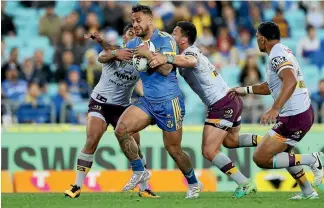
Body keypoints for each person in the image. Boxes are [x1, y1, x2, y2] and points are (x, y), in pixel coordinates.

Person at [149, 21, 258, 198]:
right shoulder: (181, 54)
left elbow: (190, 61)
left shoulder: (190, 52)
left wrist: (165, 57)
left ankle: (244, 182)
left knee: (209, 151)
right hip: (230, 99)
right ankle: (268, 142)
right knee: (231, 141)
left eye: (174, 33)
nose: (171, 35)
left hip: (221, 103)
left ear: (184, 39)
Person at [115, 4, 201, 199]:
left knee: (174, 150)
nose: (134, 24)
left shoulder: (165, 39)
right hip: (148, 102)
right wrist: (109, 51)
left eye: (138, 21)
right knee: (122, 129)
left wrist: (147, 54)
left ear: (150, 20)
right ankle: (139, 171)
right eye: (132, 21)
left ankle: (194, 183)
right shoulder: (133, 43)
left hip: (170, 103)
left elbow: (166, 70)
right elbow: (119, 55)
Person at [230, 22, 324, 200]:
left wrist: (275, 108)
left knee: (261, 158)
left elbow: (290, 81)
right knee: (283, 155)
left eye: (257, 37)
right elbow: (270, 87)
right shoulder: (282, 51)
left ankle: (313, 159)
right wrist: (243, 90)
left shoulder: (276, 55)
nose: (256, 40)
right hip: (300, 113)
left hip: (294, 116)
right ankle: (307, 191)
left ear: (263, 39)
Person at [64, 24, 158, 198]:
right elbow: (102, 57)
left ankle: (144, 189)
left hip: (123, 107)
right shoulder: (113, 53)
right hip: (100, 103)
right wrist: (114, 52)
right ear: (124, 38)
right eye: (129, 33)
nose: (133, 36)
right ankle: (76, 186)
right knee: (92, 139)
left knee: (136, 147)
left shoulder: (142, 61)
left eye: (136, 35)